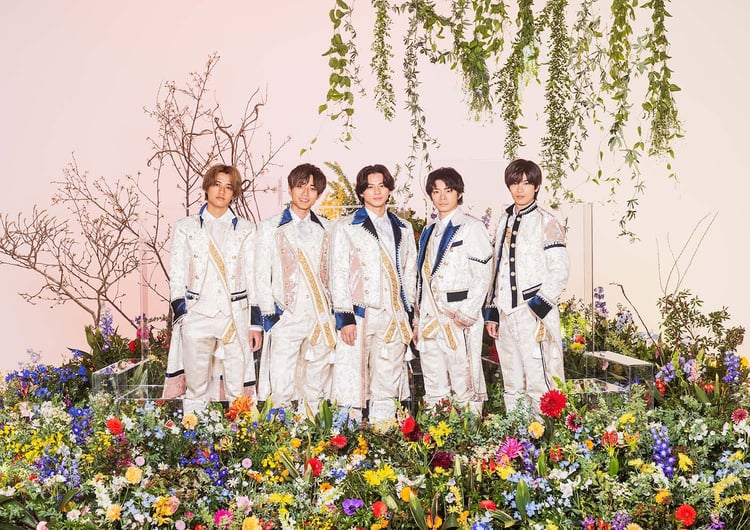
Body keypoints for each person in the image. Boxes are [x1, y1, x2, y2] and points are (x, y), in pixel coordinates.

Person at [163, 164, 262, 413]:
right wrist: (182, 313)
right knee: (195, 388)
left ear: (234, 193)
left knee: (237, 389)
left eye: (228, 187)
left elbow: (254, 277)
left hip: (234, 316)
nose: (221, 191)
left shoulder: (247, 229)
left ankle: (242, 435)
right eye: (217, 184)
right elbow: (177, 272)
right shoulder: (185, 226)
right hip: (197, 313)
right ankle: (194, 433)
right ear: (207, 186)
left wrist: (255, 323)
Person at [329, 164, 417, 424]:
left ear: (389, 189)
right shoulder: (346, 226)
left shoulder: (403, 227)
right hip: (359, 313)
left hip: (393, 315)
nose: (376, 191)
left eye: (382, 185)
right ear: (361, 192)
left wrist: (408, 311)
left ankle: (383, 432)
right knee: (351, 378)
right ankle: (348, 437)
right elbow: (337, 272)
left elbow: (410, 271)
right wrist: (344, 317)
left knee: (387, 379)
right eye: (370, 187)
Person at [484, 159, 570, 415]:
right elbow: (496, 267)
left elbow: (560, 270)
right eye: (514, 183)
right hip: (505, 313)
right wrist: (492, 312)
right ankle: (517, 434)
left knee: (539, 380)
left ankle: (544, 435)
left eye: (526, 183)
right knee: (512, 381)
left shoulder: (547, 221)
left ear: (537, 186)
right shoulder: (503, 220)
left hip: (532, 313)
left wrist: (537, 307)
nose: (519, 189)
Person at [253, 163, 335, 413]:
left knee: (315, 385)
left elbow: (334, 274)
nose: (305, 193)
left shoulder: (328, 228)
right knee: (281, 385)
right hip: (285, 316)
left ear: (318, 194)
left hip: (319, 318)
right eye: (300, 186)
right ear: (290, 189)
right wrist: (270, 316)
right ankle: (282, 434)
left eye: (312, 188)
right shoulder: (270, 227)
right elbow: (260, 275)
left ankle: (314, 433)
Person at [414, 167, 493, 416]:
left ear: (458, 193)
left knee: (465, 384)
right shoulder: (428, 231)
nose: (442, 196)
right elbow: (422, 279)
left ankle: (469, 437)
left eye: (448, 190)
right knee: (433, 385)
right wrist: (417, 320)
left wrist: (467, 314)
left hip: (458, 319)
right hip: (430, 320)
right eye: (436, 191)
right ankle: (436, 435)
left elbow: (483, 274)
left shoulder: (471, 227)